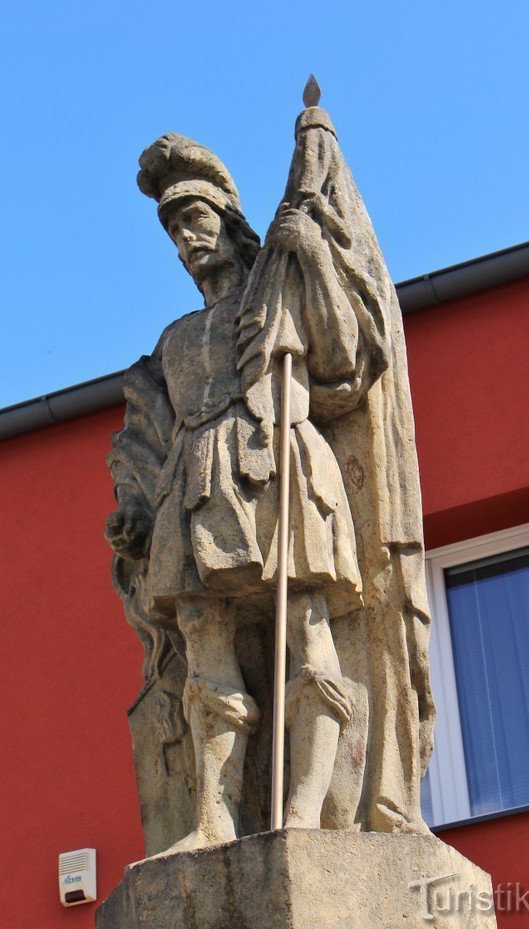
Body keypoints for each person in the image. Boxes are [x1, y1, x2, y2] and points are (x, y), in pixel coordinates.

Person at [107, 106, 435, 853]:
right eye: (172, 228)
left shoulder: (278, 293)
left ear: (226, 217)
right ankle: (215, 820)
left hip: (282, 467)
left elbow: (346, 368)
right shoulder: (175, 339)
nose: (186, 238)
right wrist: (134, 508)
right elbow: (145, 437)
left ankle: (305, 812)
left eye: (193, 217)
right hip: (195, 490)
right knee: (205, 644)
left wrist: (311, 258)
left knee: (309, 636)